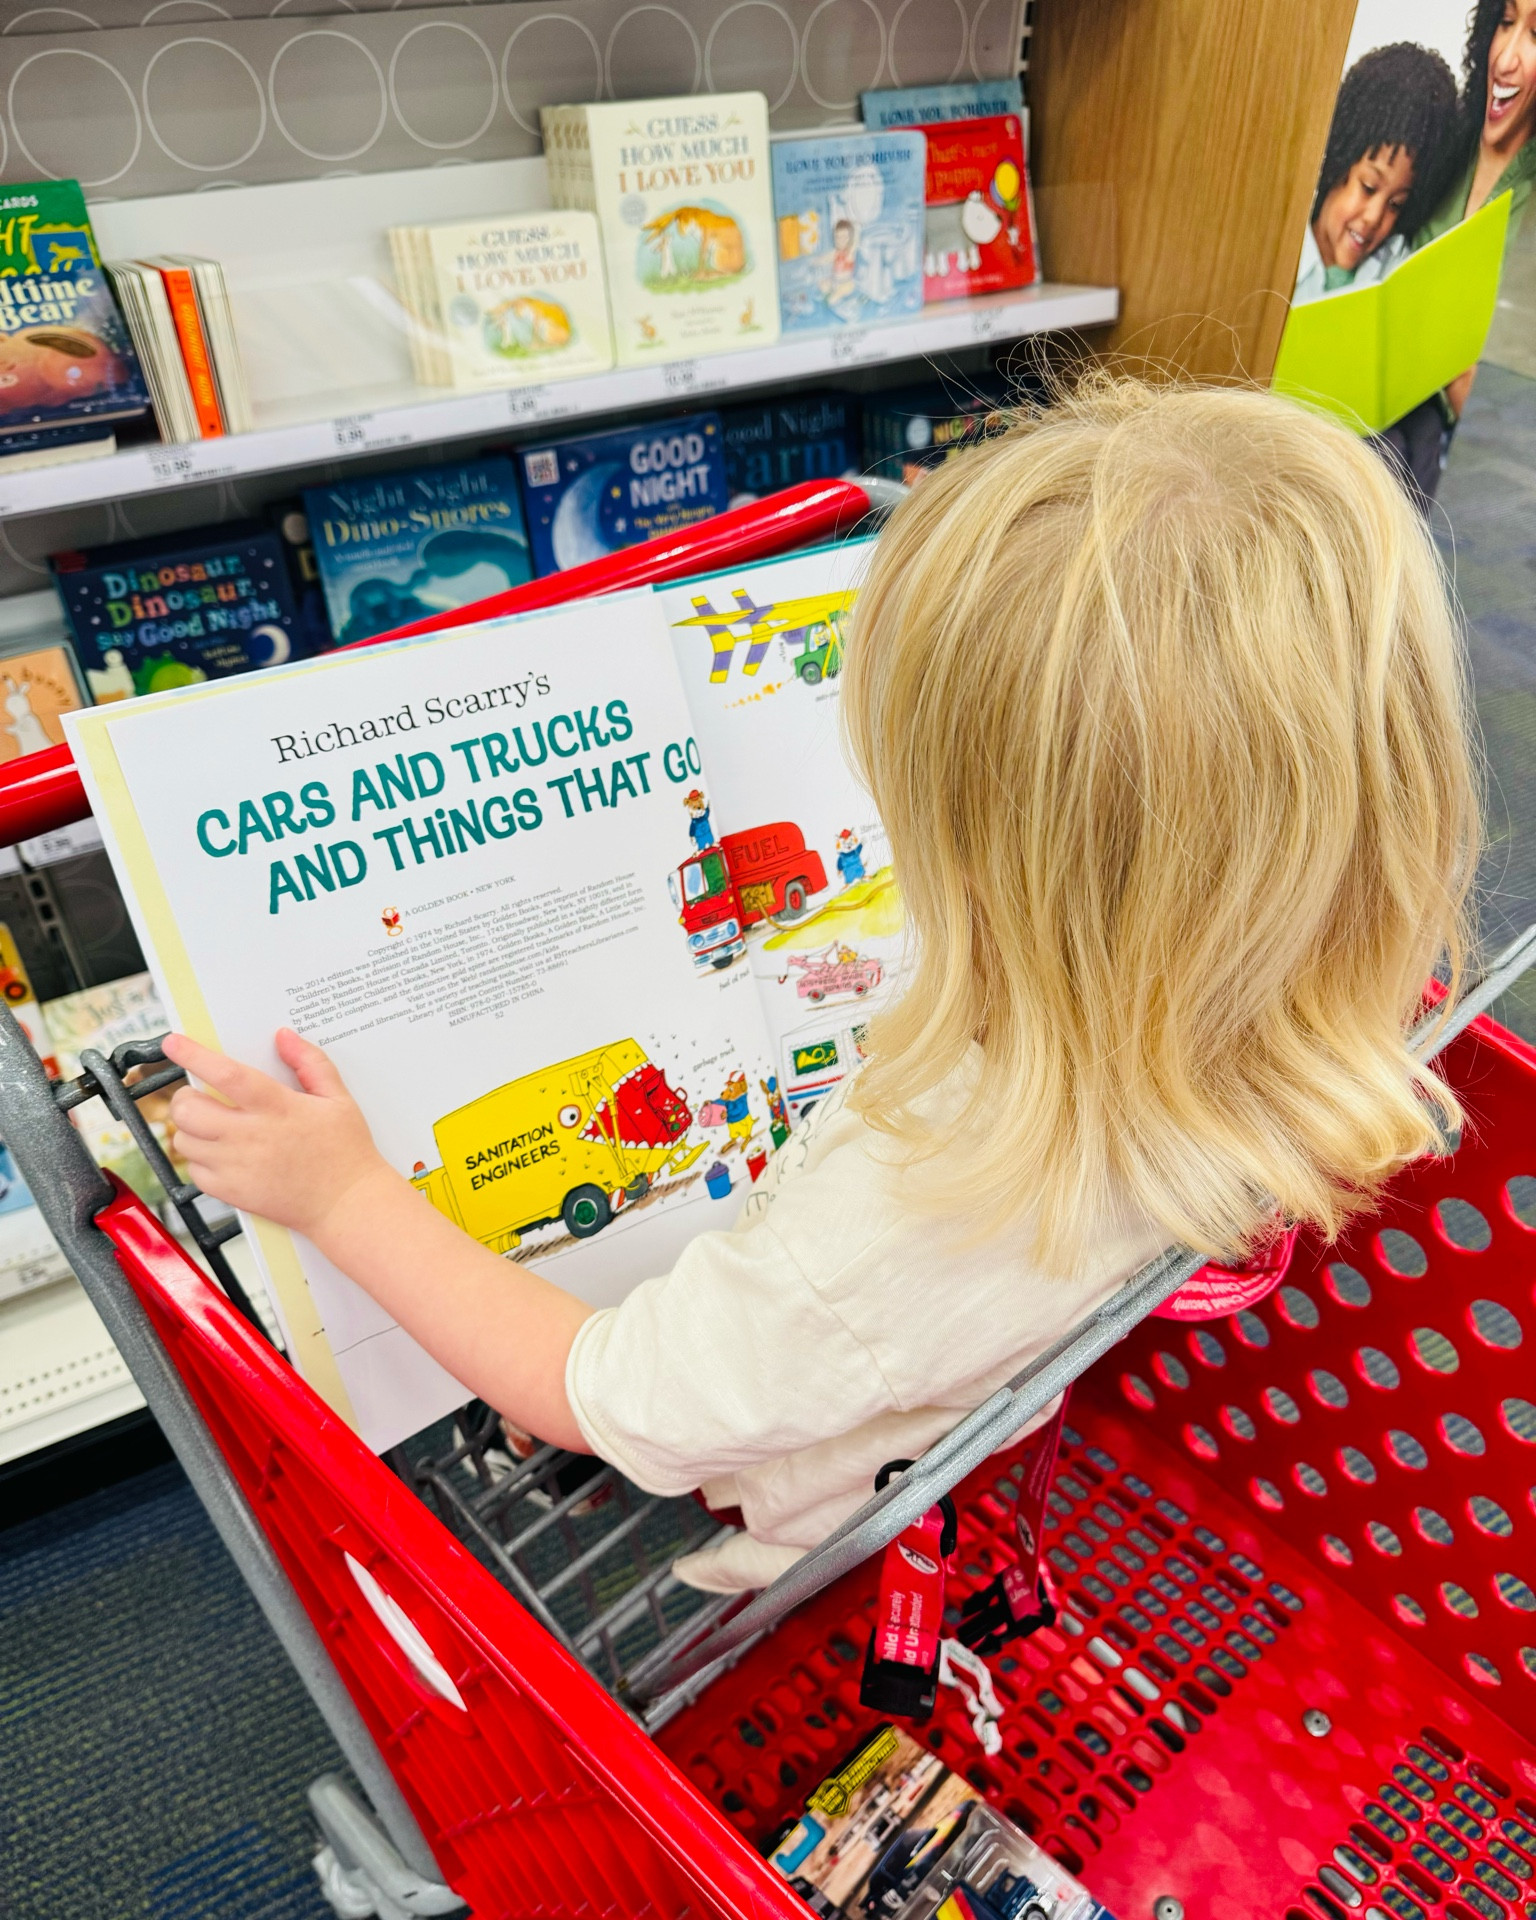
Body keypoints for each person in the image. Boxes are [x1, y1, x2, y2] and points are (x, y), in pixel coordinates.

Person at [163, 379, 1479, 1596]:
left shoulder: (923, 1204)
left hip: (824, 1534)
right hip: (957, 1411)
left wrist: (338, 1193)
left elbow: (599, 1394)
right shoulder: (1295, 1024)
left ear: (987, 863)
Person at [1392, 0, 1536, 499]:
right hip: (1378, 399)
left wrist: (1461, 375)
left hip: (1468, 461)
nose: (1508, 58)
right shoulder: (1441, 136)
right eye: (1507, 22)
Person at [1293, 42, 1458, 305]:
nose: (1374, 217)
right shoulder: (1281, 251)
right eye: (1368, 187)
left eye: (1396, 204)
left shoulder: (1394, 267)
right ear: (1338, 161)